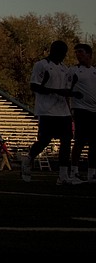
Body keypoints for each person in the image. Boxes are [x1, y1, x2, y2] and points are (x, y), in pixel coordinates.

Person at [21, 40, 77, 185]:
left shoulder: (64, 68)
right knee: (45, 141)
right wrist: (56, 92)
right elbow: (34, 86)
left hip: (63, 111)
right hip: (47, 110)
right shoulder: (41, 65)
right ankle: (29, 159)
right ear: (53, 51)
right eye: (61, 53)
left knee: (66, 141)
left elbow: (65, 90)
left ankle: (63, 175)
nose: (63, 56)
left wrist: (72, 96)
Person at [68, 43, 95, 182]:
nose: (78, 54)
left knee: (94, 142)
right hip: (80, 109)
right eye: (76, 52)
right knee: (80, 140)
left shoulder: (94, 71)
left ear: (89, 54)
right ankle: (74, 170)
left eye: (81, 52)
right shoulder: (73, 71)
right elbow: (67, 88)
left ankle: (92, 172)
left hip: (93, 110)